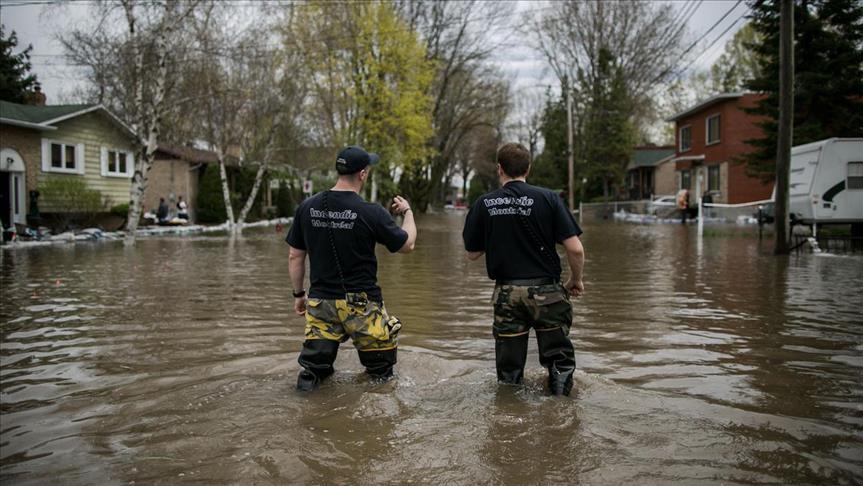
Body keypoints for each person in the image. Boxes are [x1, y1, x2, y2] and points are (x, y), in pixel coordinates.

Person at [286, 146, 417, 391]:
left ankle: (307, 414)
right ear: (363, 174)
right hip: (363, 305)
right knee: (381, 375)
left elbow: (295, 256)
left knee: (313, 372)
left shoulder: (307, 207)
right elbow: (407, 245)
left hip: (321, 302)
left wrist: (298, 295)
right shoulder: (371, 211)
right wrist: (408, 212)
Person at [463, 142, 585, 396]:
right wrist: (575, 280)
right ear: (528, 168)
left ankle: (509, 417)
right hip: (548, 294)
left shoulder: (485, 203)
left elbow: (472, 254)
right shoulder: (549, 198)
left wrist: (499, 231)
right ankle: (560, 411)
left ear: (499, 169)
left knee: (509, 371)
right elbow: (575, 249)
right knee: (559, 362)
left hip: (507, 294)